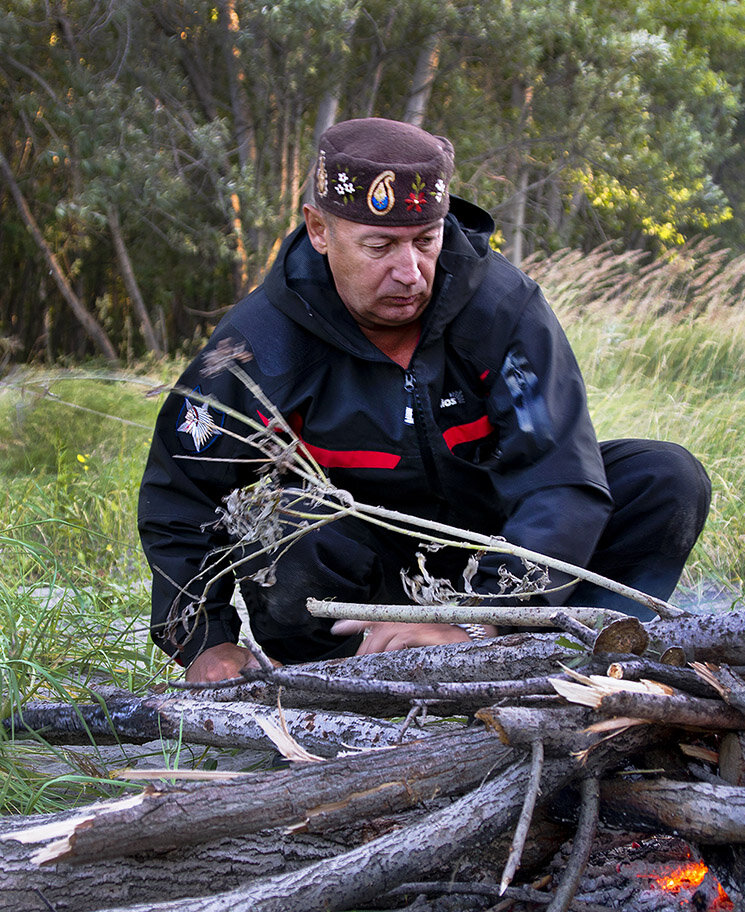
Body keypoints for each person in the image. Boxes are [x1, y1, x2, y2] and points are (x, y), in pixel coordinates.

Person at [138, 117, 711, 684]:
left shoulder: (503, 311)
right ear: (319, 230)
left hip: (495, 565)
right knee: (290, 520)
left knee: (665, 478)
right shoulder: (258, 344)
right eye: (379, 246)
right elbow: (180, 495)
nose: (409, 272)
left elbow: (558, 481)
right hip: (356, 595)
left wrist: (474, 620)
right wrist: (206, 643)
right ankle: (342, 686)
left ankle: (574, 656)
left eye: (425, 241)